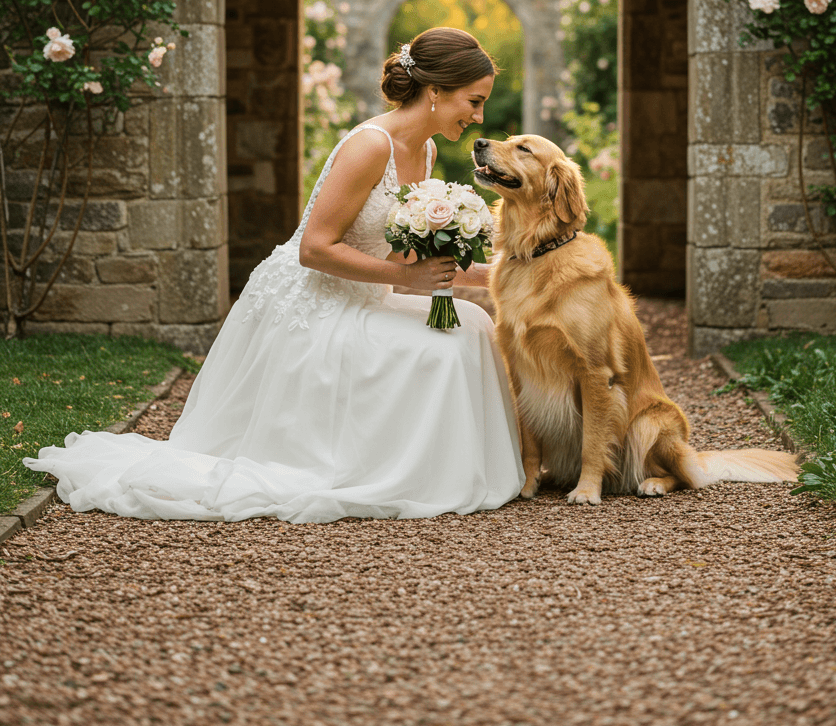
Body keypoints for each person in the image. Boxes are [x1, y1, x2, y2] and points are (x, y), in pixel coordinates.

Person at [25, 27, 525, 522]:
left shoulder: (427, 150)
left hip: (363, 291)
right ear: (435, 91)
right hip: (314, 299)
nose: (479, 117)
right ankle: (402, 472)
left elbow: (402, 258)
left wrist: (495, 274)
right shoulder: (370, 146)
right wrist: (412, 282)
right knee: (439, 348)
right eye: (474, 101)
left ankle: (441, 471)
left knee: (472, 325)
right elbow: (314, 249)